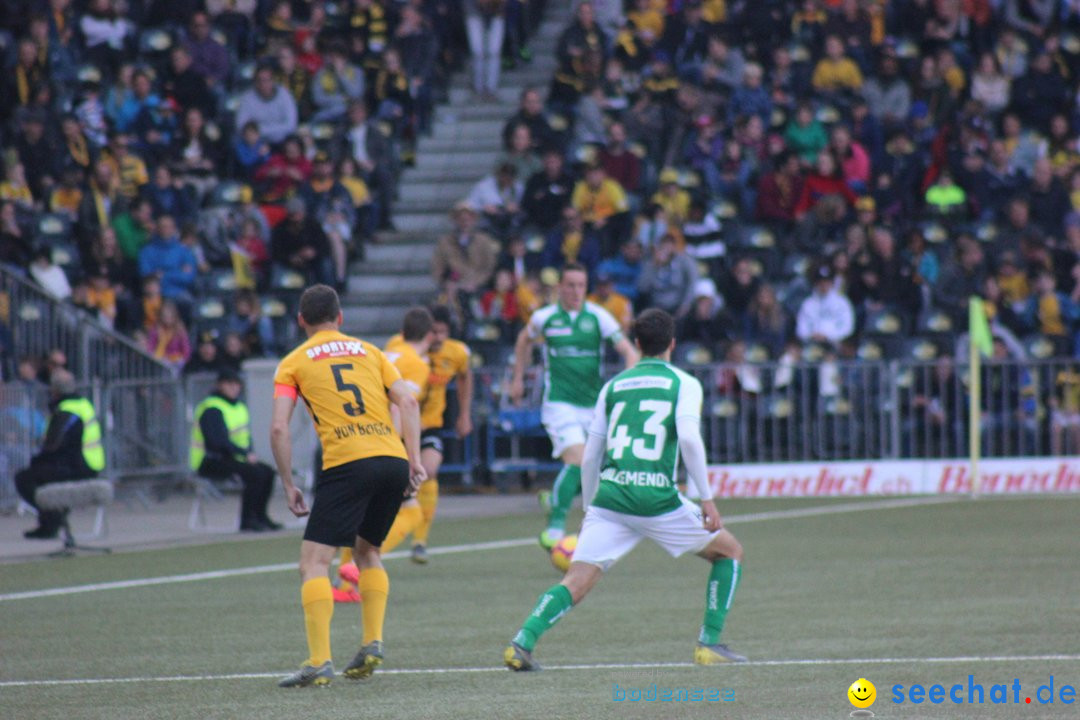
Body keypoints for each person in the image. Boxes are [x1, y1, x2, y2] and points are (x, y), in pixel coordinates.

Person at [504, 308, 745, 671]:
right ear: (673, 344)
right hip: (657, 500)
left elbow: (590, 457)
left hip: (611, 498)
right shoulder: (683, 383)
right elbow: (691, 440)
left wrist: (589, 509)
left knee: (578, 578)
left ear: (637, 344)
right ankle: (709, 644)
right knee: (729, 551)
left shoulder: (614, 386)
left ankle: (521, 643)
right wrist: (706, 498)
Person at [271, 285, 425, 688]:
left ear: (301, 321)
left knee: (313, 562)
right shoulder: (370, 351)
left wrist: (288, 484)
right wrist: (415, 460)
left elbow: (278, 427)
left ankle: (319, 661)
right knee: (368, 550)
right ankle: (372, 641)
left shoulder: (292, 363)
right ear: (341, 318)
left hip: (348, 462)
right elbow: (407, 403)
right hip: (391, 458)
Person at [508, 263, 638, 549]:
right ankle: (555, 528)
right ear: (560, 288)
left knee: (593, 468)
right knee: (578, 461)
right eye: (571, 285)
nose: (577, 291)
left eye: (582, 285)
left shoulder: (598, 317)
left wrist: (626, 386)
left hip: (593, 407)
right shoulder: (545, 318)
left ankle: (554, 498)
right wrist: (518, 378)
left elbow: (629, 351)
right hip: (559, 404)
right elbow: (523, 340)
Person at [16, 370, 104, 539]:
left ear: (54, 390)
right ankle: (51, 521)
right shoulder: (83, 404)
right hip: (88, 464)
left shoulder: (66, 411)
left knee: (24, 478)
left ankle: (52, 521)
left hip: (78, 467)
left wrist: (37, 461)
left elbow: (54, 445)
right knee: (39, 474)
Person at [191, 369, 282, 532]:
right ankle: (247, 520)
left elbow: (244, 437)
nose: (234, 388)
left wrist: (248, 452)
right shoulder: (212, 408)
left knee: (267, 472)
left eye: (236, 384)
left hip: (233, 457)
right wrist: (244, 454)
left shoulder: (239, 407)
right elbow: (216, 442)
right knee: (255, 474)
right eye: (229, 384)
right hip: (210, 460)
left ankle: (261, 516)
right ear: (220, 386)